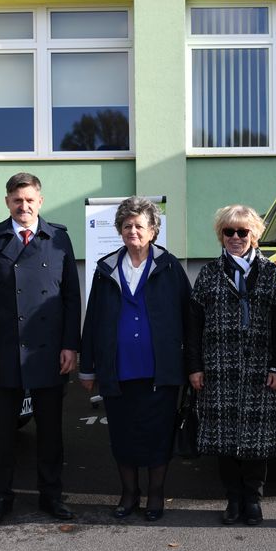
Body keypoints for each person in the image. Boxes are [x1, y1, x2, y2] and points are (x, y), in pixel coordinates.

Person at [0, 172, 81, 526]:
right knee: (3, 433)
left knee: (50, 432)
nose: (24, 206)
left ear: (40, 201)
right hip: (4, 353)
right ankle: (0, 498)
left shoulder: (58, 239)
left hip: (48, 351)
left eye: (30, 200)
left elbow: (71, 299)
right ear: (7, 202)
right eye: (17, 200)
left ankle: (52, 496)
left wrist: (70, 345)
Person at [79, 197, 190, 522]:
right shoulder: (105, 269)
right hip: (118, 370)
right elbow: (93, 320)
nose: (132, 231)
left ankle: (156, 495)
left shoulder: (170, 268)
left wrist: (193, 365)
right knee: (123, 436)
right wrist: (88, 368)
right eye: (126, 225)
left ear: (153, 230)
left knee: (158, 436)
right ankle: (129, 494)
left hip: (161, 370)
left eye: (139, 225)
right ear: (119, 230)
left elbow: (188, 317)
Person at [186, 205, 276, 526]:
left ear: (254, 235)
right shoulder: (207, 274)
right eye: (228, 232)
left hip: (259, 370)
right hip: (218, 370)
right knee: (224, 437)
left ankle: (253, 499)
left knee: (256, 438)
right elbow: (194, 326)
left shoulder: (271, 273)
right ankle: (232, 498)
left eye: (242, 232)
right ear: (221, 235)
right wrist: (195, 367)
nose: (235, 238)